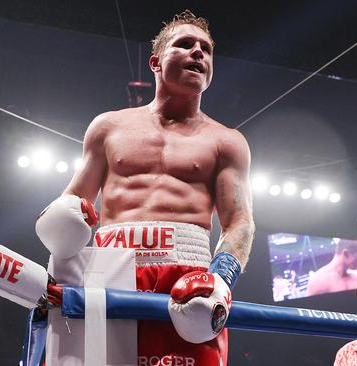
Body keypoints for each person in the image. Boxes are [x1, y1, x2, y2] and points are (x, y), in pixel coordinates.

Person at [35, 9, 255, 366]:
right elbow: (75, 199)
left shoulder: (227, 142)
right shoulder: (109, 127)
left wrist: (221, 280)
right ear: (155, 62)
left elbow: (239, 222)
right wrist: (61, 218)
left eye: (206, 49)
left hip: (188, 279)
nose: (198, 52)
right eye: (184, 45)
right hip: (108, 271)